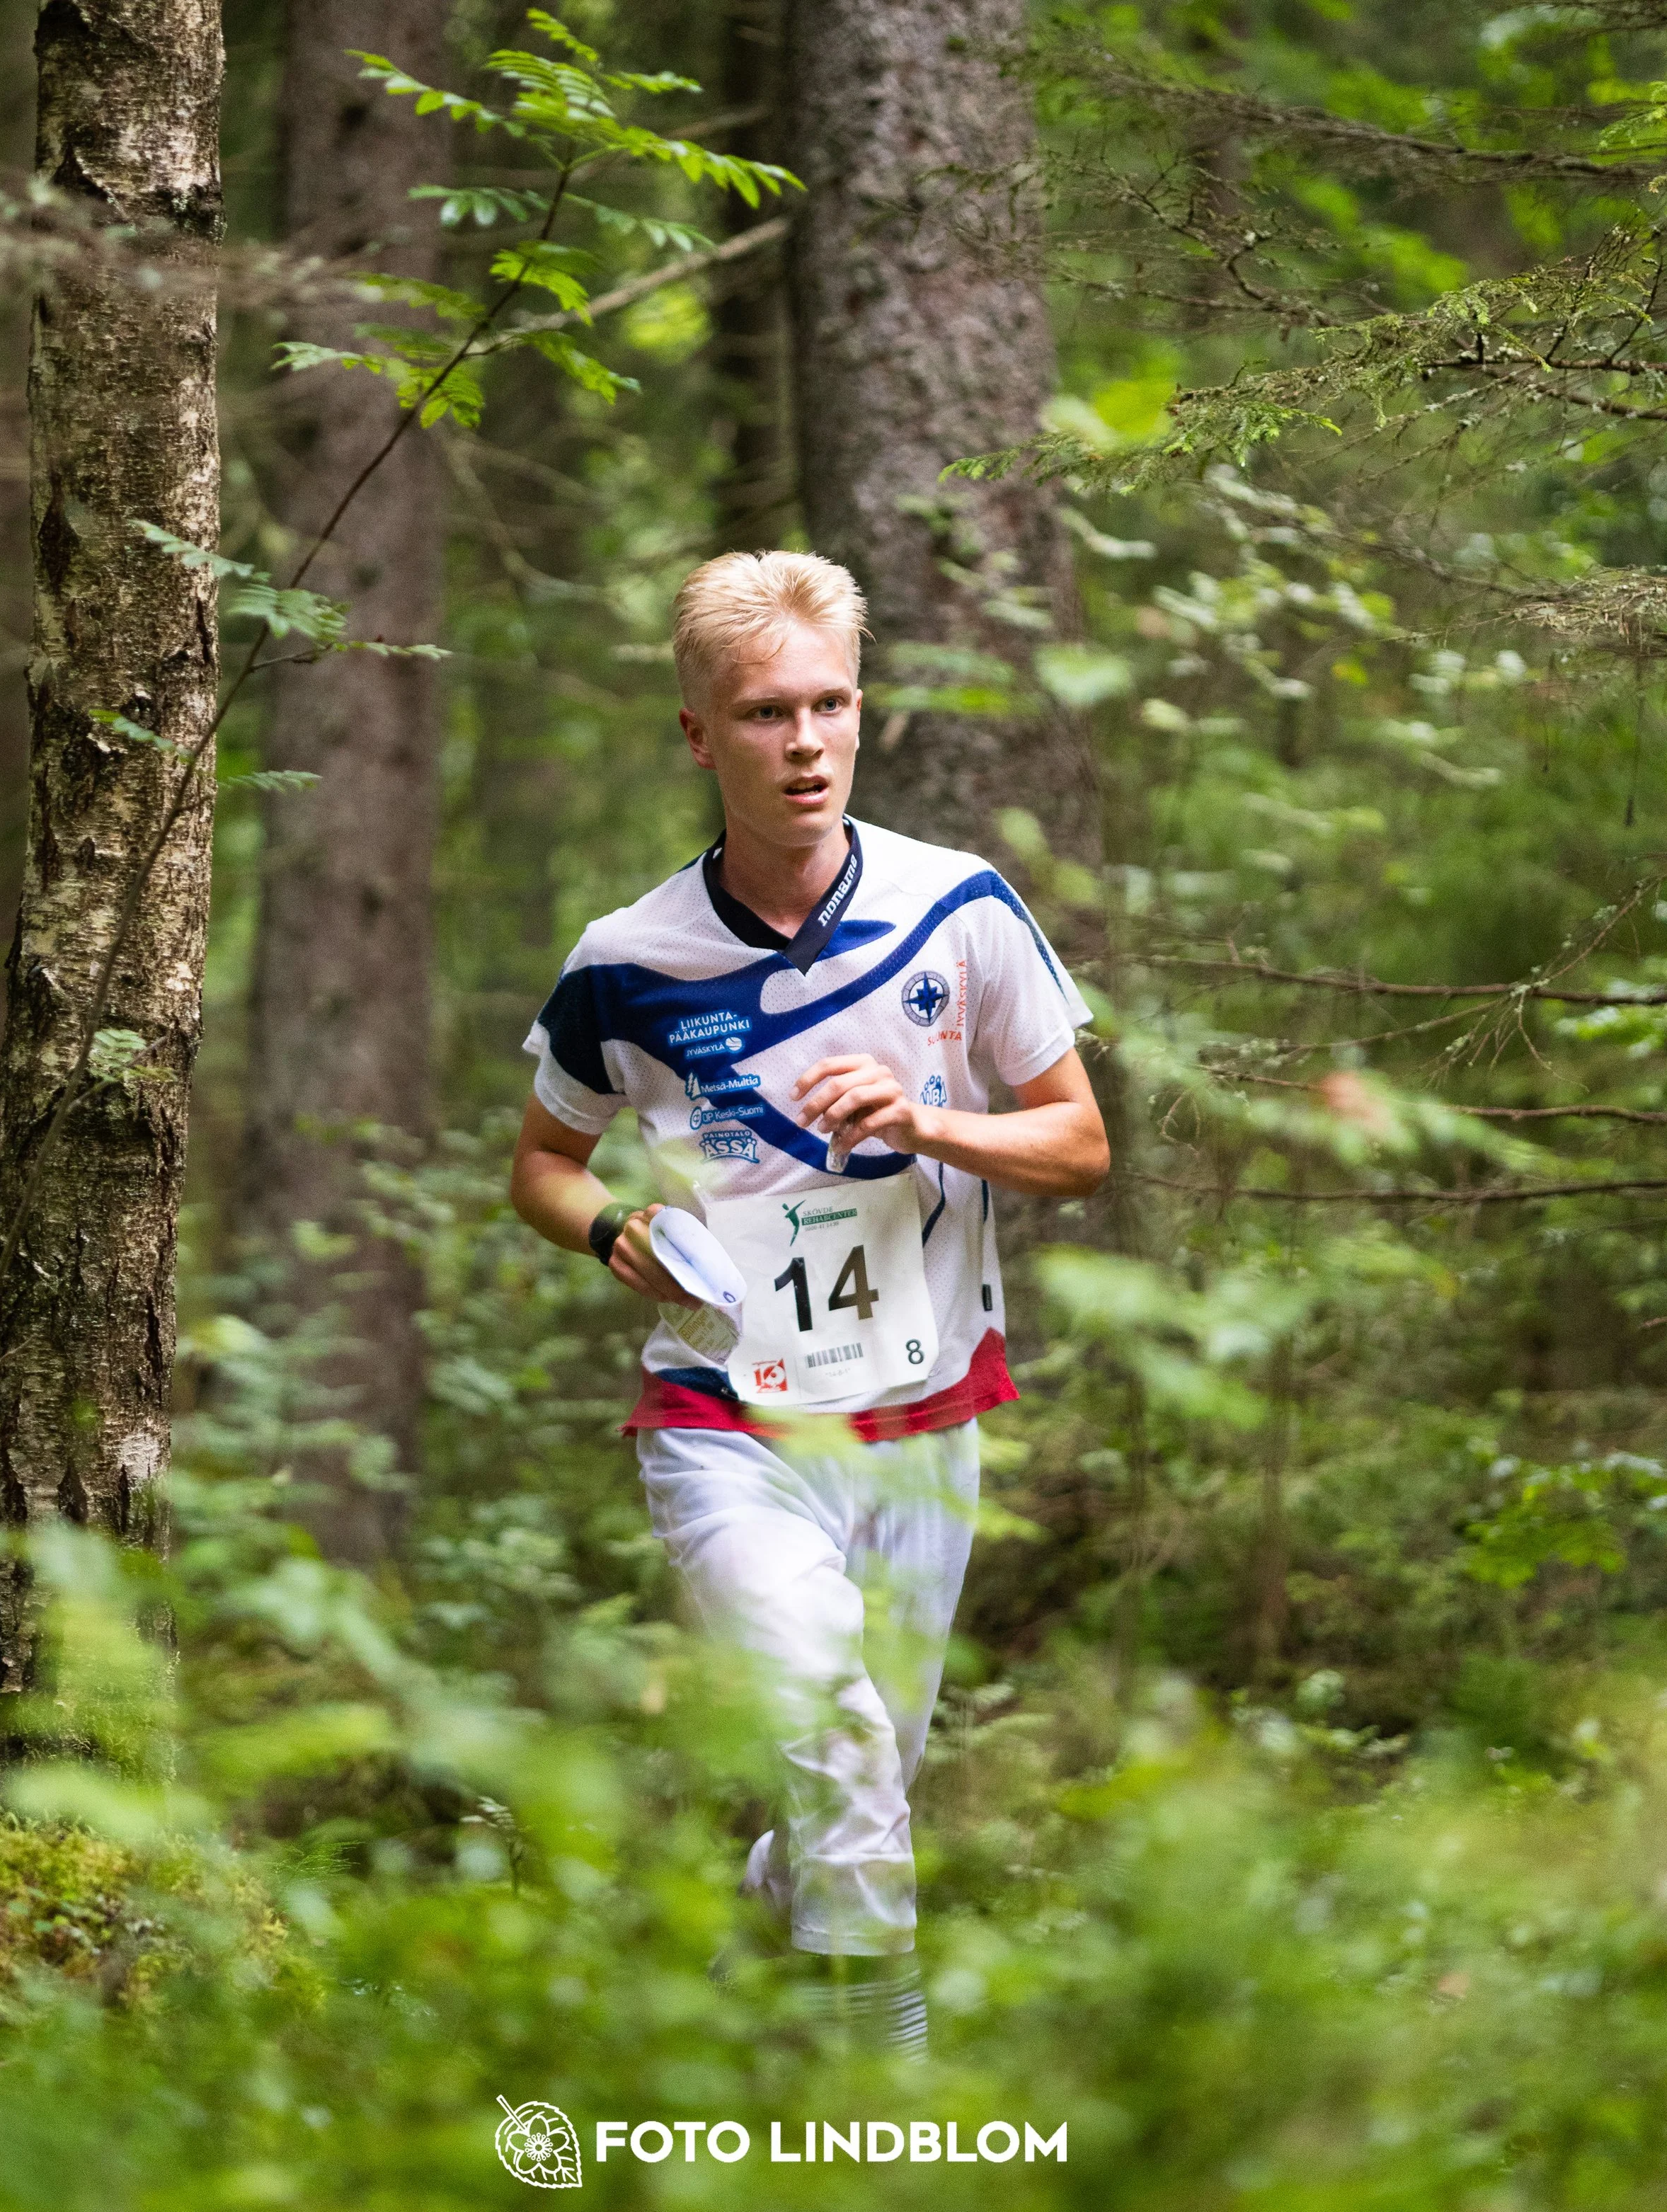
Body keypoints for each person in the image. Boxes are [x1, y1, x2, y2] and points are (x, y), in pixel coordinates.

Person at [511, 550, 1109, 2054]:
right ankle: (884, 2089)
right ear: (698, 734)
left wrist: (931, 1122)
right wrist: (614, 1229)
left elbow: (1080, 1146)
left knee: (862, 1774)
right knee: (834, 1730)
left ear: (862, 708)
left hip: (920, 1414)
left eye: (828, 702)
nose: (805, 740)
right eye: (764, 710)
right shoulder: (624, 962)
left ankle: (754, 1972)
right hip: (728, 1418)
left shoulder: (956, 910)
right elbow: (539, 1164)